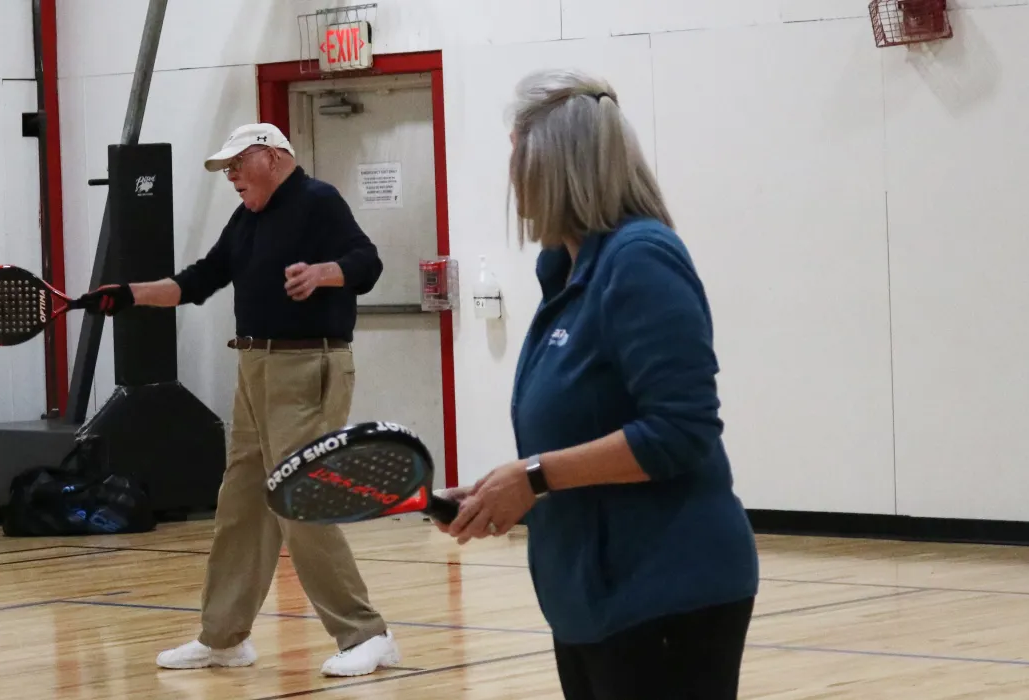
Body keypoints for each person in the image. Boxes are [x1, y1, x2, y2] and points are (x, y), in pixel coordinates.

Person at [436, 68, 760, 699]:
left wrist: (533, 476)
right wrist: (499, 488)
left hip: (668, 590)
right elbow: (577, 424)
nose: (511, 181)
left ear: (554, 166)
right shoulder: (566, 272)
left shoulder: (640, 260)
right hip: (591, 594)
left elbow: (680, 430)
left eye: (517, 159)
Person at [79, 123, 400, 677]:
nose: (229, 176)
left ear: (273, 158)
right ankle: (223, 638)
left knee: (300, 499)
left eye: (236, 164)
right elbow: (200, 280)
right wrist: (130, 294)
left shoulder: (318, 201)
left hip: (308, 367)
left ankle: (366, 635)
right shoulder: (248, 218)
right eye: (224, 168)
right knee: (242, 502)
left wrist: (325, 273)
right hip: (254, 367)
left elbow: (366, 263)